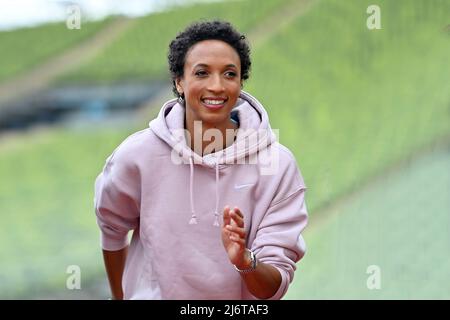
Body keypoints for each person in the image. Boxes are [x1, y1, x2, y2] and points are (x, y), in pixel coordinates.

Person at [94, 20, 308, 300]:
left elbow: (274, 286)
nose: (217, 86)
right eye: (202, 73)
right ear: (179, 82)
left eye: (229, 74)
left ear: (240, 82)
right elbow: (112, 229)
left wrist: (245, 262)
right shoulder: (138, 154)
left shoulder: (276, 165)